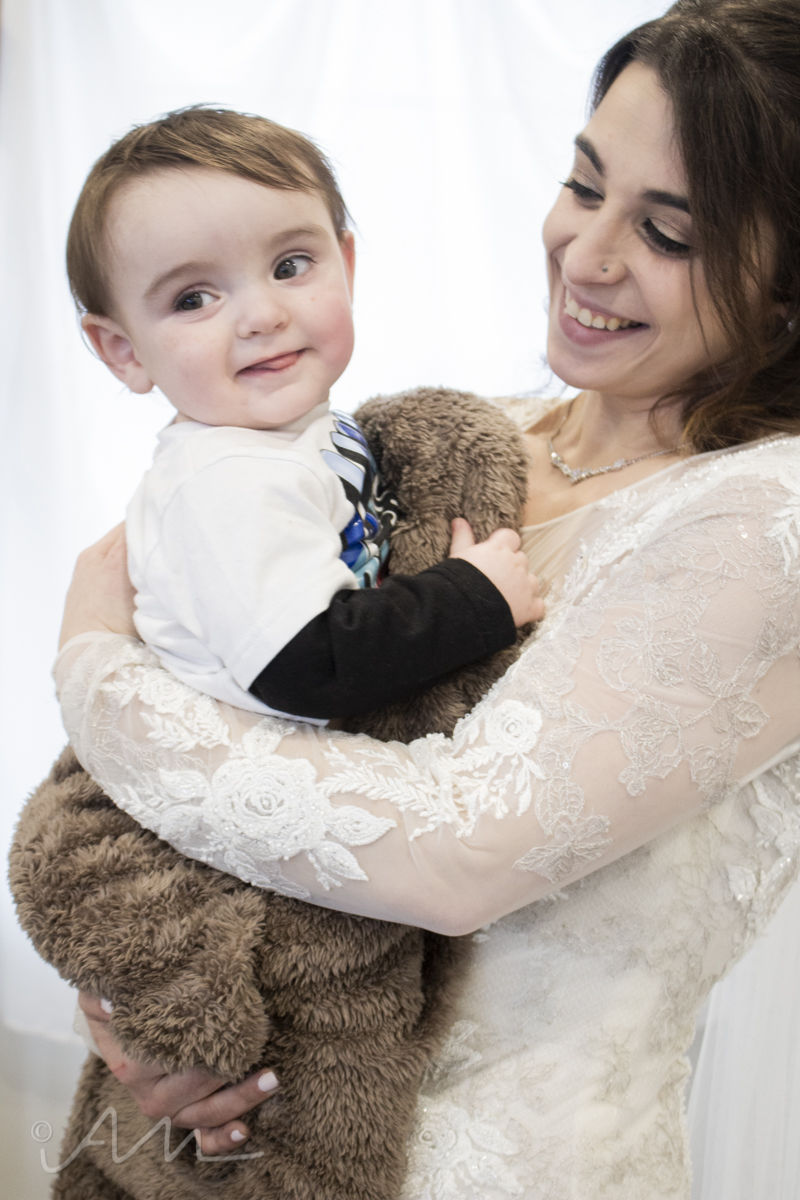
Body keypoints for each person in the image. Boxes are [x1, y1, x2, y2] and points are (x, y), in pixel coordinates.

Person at [29, 0, 800, 1194]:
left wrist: (92, 671)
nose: (585, 255)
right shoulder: (451, 434)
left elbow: (454, 851)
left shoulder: (764, 520)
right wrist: (145, 1001)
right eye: (582, 184)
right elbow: (239, 710)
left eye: (667, 233)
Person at [70, 106, 541, 723]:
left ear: (346, 267)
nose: (263, 316)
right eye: (193, 298)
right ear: (125, 351)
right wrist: (474, 596)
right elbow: (312, 665)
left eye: (289, 266)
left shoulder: (282, 438)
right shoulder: (224, 484)